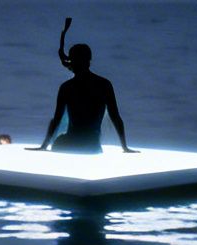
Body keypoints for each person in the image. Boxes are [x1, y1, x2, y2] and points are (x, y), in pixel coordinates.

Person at [33, 17, 134, 154]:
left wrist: (44, 146)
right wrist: (125, 147)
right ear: (89, 61)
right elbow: (115, 117)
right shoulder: (104, 84)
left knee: (59, 142)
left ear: (73, 62)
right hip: (93, 146)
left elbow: (56, 119)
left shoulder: (67, 87)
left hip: (70, 143)